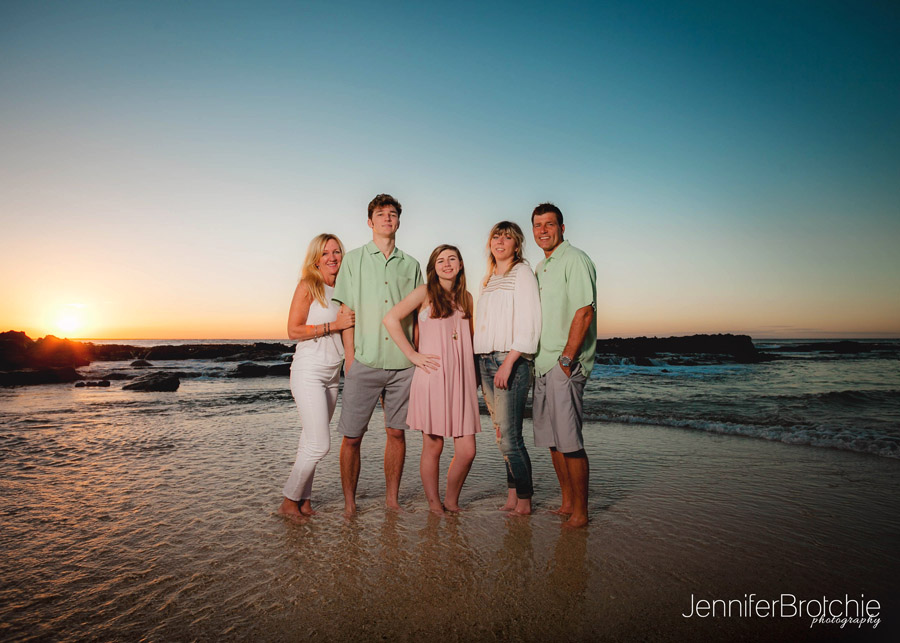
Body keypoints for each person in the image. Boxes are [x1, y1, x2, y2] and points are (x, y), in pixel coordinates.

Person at [332, 194, 423, 516]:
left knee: (396, 433)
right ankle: (349, 503)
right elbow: (346, 313)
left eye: (393, 214)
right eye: (381, 214)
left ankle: (392, 499)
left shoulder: (412, 265)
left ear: (399, 221)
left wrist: (415, 356)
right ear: (370, 222)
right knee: (352, 436)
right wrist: (351, 358)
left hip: (402, 366)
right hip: (364, 362)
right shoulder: (353, 260)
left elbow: (416, 317)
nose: (388, 218)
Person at [383, 245, 479, 514]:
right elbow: (390, 319)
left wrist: (475, 379)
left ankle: (451, 499)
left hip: (461, 380)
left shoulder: (468, 298)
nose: (446, 264)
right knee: (433, 445)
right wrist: (412, 355)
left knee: (467, 450)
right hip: (432, 377)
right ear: (433, 267)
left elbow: (469, 341)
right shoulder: (424, 293)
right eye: (440, 260)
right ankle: (435, 504)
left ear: (460, 264)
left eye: (452, 259)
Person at [279, 233, 355, 519]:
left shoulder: (345, 288)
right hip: (308, 371)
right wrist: (333, 325)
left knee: (308, 440)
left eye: (336, 251)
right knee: (320, 444)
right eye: (325, 253)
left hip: (332, 375)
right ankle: (289, 500)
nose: (332, 257)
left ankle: (304, 499)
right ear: (316, 258)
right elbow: (293, 330)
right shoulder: (309, 285)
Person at [531, 203, 597, 528]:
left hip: (563, 365)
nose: (543, 230)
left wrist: (567, 360)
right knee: (554, 442)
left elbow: (584, 311)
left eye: (549, 224)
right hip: (542, 365)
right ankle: (567, 503)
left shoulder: (575, 259)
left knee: (570, 442)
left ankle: (581, 513)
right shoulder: (540, 268)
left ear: (562, 227)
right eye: (538, 225)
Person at [473, 221, 541, 515]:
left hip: (509, 361)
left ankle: (524, 501)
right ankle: (512, 496)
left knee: (510, 438)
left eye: (507, 238)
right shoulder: (487, 279)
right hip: (485, 360)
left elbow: (530, 322)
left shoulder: (522, 273)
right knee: (501, 434)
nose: (500, 241)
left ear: (517, 245)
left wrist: (510, 362)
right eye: (496, 236)